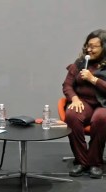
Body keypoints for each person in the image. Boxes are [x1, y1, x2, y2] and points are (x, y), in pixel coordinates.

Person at [62, 29, 106, 179]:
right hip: (84, 102)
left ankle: (95, 163)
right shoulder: (81, 63)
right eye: (88, 46)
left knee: (101, 118)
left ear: (104, 47)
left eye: (94, 46)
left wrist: (93, 79)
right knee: (72, 115)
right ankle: (81, 161)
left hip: (103, 104)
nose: (89, 49)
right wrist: (74, 98)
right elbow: (67, 85)